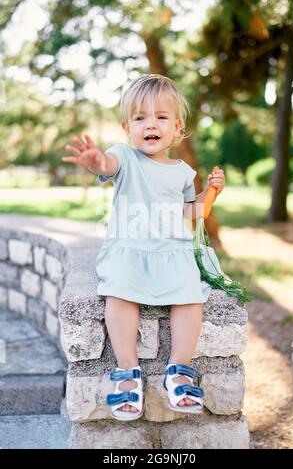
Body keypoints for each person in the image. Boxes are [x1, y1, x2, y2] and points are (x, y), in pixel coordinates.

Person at [63, 74, 225, 421]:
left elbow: (192, 213)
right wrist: (94, 162)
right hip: (129, 249)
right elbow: (107, 167)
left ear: (177, 126)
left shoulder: (183, 171)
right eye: (140, 118)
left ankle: (179, 370)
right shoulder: (123, 157)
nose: (150, 124)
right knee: (120, 293)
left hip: (172, 250)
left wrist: (210, 193)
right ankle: (128, 373)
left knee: (190, 297)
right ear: (127, 127)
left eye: (161, 117)